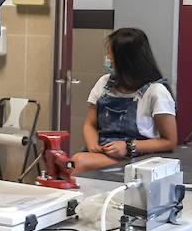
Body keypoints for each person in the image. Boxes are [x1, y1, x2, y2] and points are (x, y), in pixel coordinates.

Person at [72, 28, 176, 175]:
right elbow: (90, 124)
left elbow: (169, 142)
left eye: (111, 54)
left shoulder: (156, 92)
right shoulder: (104, 84)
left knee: (78, 162)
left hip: (139, 159)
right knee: (66, 164)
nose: (108, 58)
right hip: (103, 154)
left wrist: (128, 147)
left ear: (126, 60)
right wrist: (93, 145)